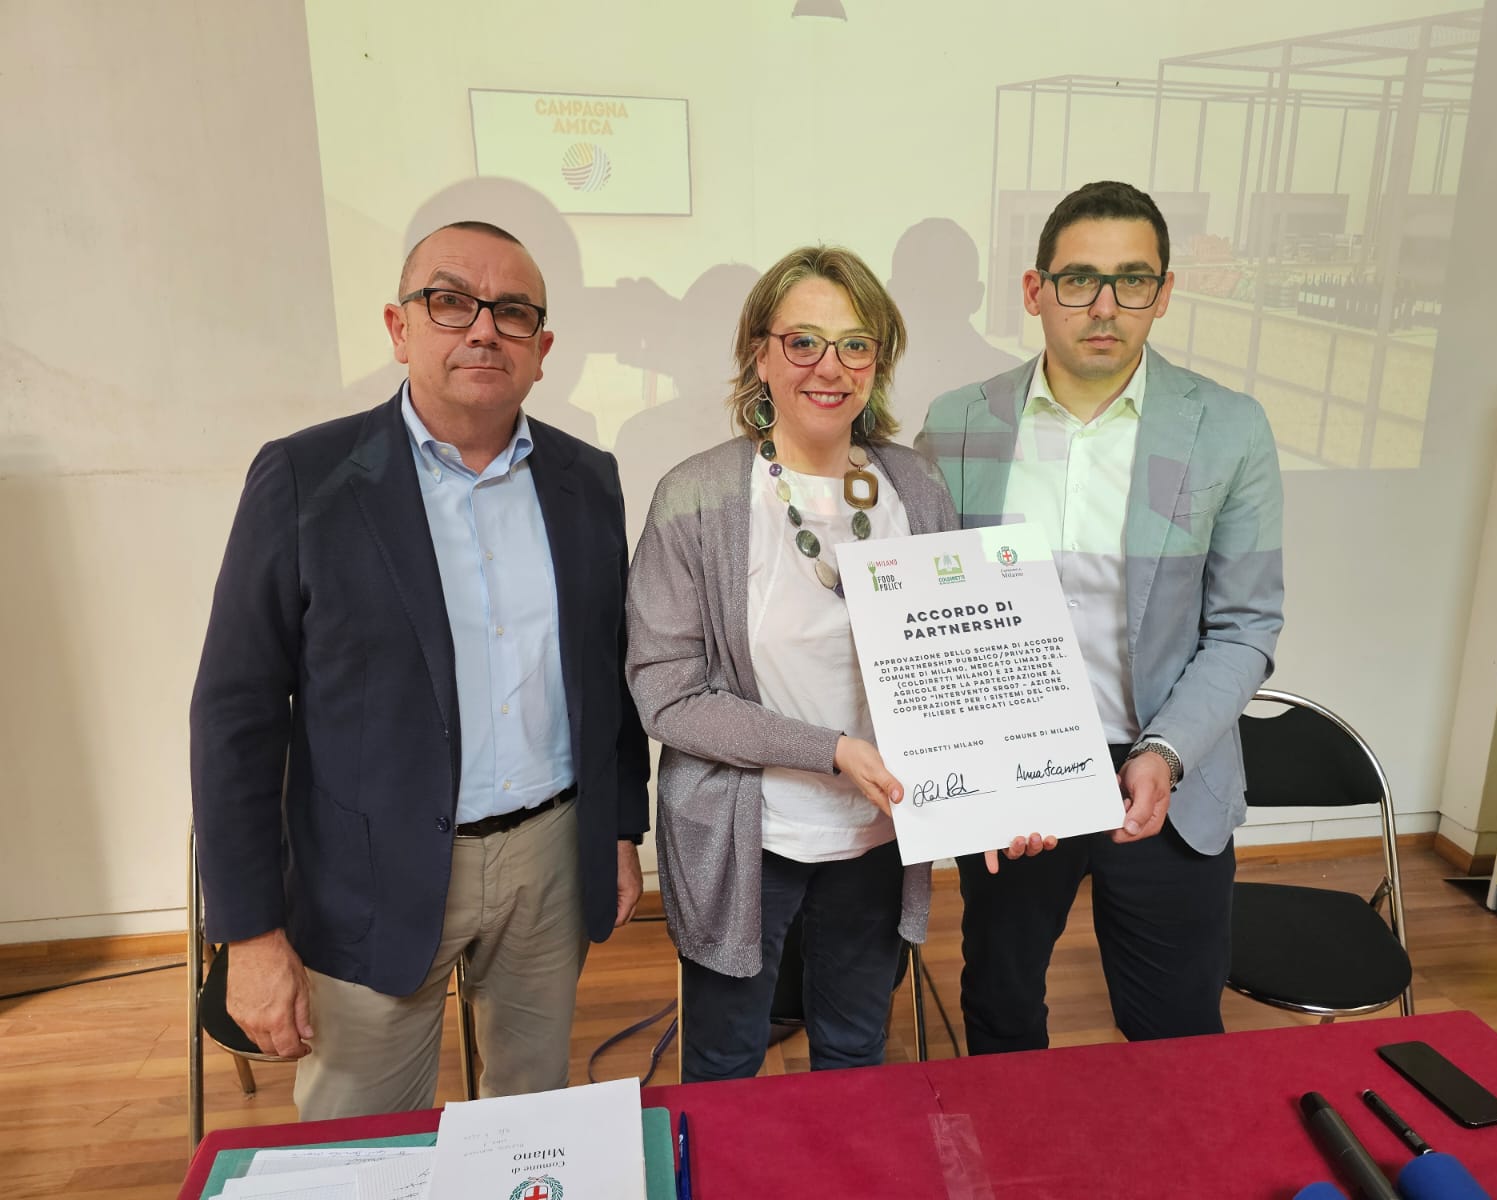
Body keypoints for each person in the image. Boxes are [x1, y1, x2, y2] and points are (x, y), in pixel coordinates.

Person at [190, 220, 650, 1118]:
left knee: (531, 1123)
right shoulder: (305, 478)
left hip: (551, 857)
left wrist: (619, 828)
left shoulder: (588, 479)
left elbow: (608, 671)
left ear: (543, 350)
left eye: (512, 312)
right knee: (363, 1138)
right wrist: (247, 933)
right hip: (368, 869)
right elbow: (235, 713)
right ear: (399, 329)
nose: (483, 329)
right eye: (450, 302)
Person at [918, 181, 1285, 1052]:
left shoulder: (1228, 429)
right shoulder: (959, 423)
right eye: (1080, 279)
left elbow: (1245, 625)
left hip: (1167, 771)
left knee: (1175, 1033)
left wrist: (1166, 751)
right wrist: (974, 763)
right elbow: (935, 613)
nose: (1105, 305)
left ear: (1164, 293)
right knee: (1002, 1010)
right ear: (1034, 290)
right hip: (1013, 773)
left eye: (1133, 280)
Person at [625, 245, 977, 1082]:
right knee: (725, 1065)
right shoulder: (697, 497)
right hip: (748, 842)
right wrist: (832, 751)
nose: (830, 366)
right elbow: (667, 694)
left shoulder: (917, 489)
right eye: (803, 342)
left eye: (856, 344)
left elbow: (956, 661)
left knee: (855, 1057)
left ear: (878, 361)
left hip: (878, 839)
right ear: (760, 355)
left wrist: (1000, 794)